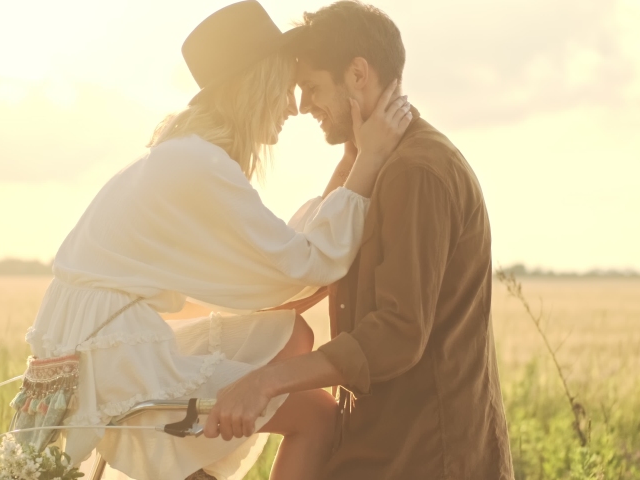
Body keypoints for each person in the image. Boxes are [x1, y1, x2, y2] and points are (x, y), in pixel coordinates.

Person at [23, 1, 412, 479]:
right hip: (113, 354)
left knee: (289, 336)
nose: (294, 106)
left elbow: (287, 256)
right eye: (286, 88)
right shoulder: (200, 166)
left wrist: (352, 159)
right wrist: (369, 161)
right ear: (258, 85)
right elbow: (302, 266)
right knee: (318, 416)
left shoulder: (183, 154)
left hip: (95, 341)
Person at [203, 2, 515, 479]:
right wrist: (355, 158)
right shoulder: (379, 167)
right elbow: (311, 260)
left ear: (357, 74)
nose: (304, 105)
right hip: (380, 446)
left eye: (312, 87)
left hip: (428, 456)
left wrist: (267, 382)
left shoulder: (417, 172)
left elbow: (397, 332)